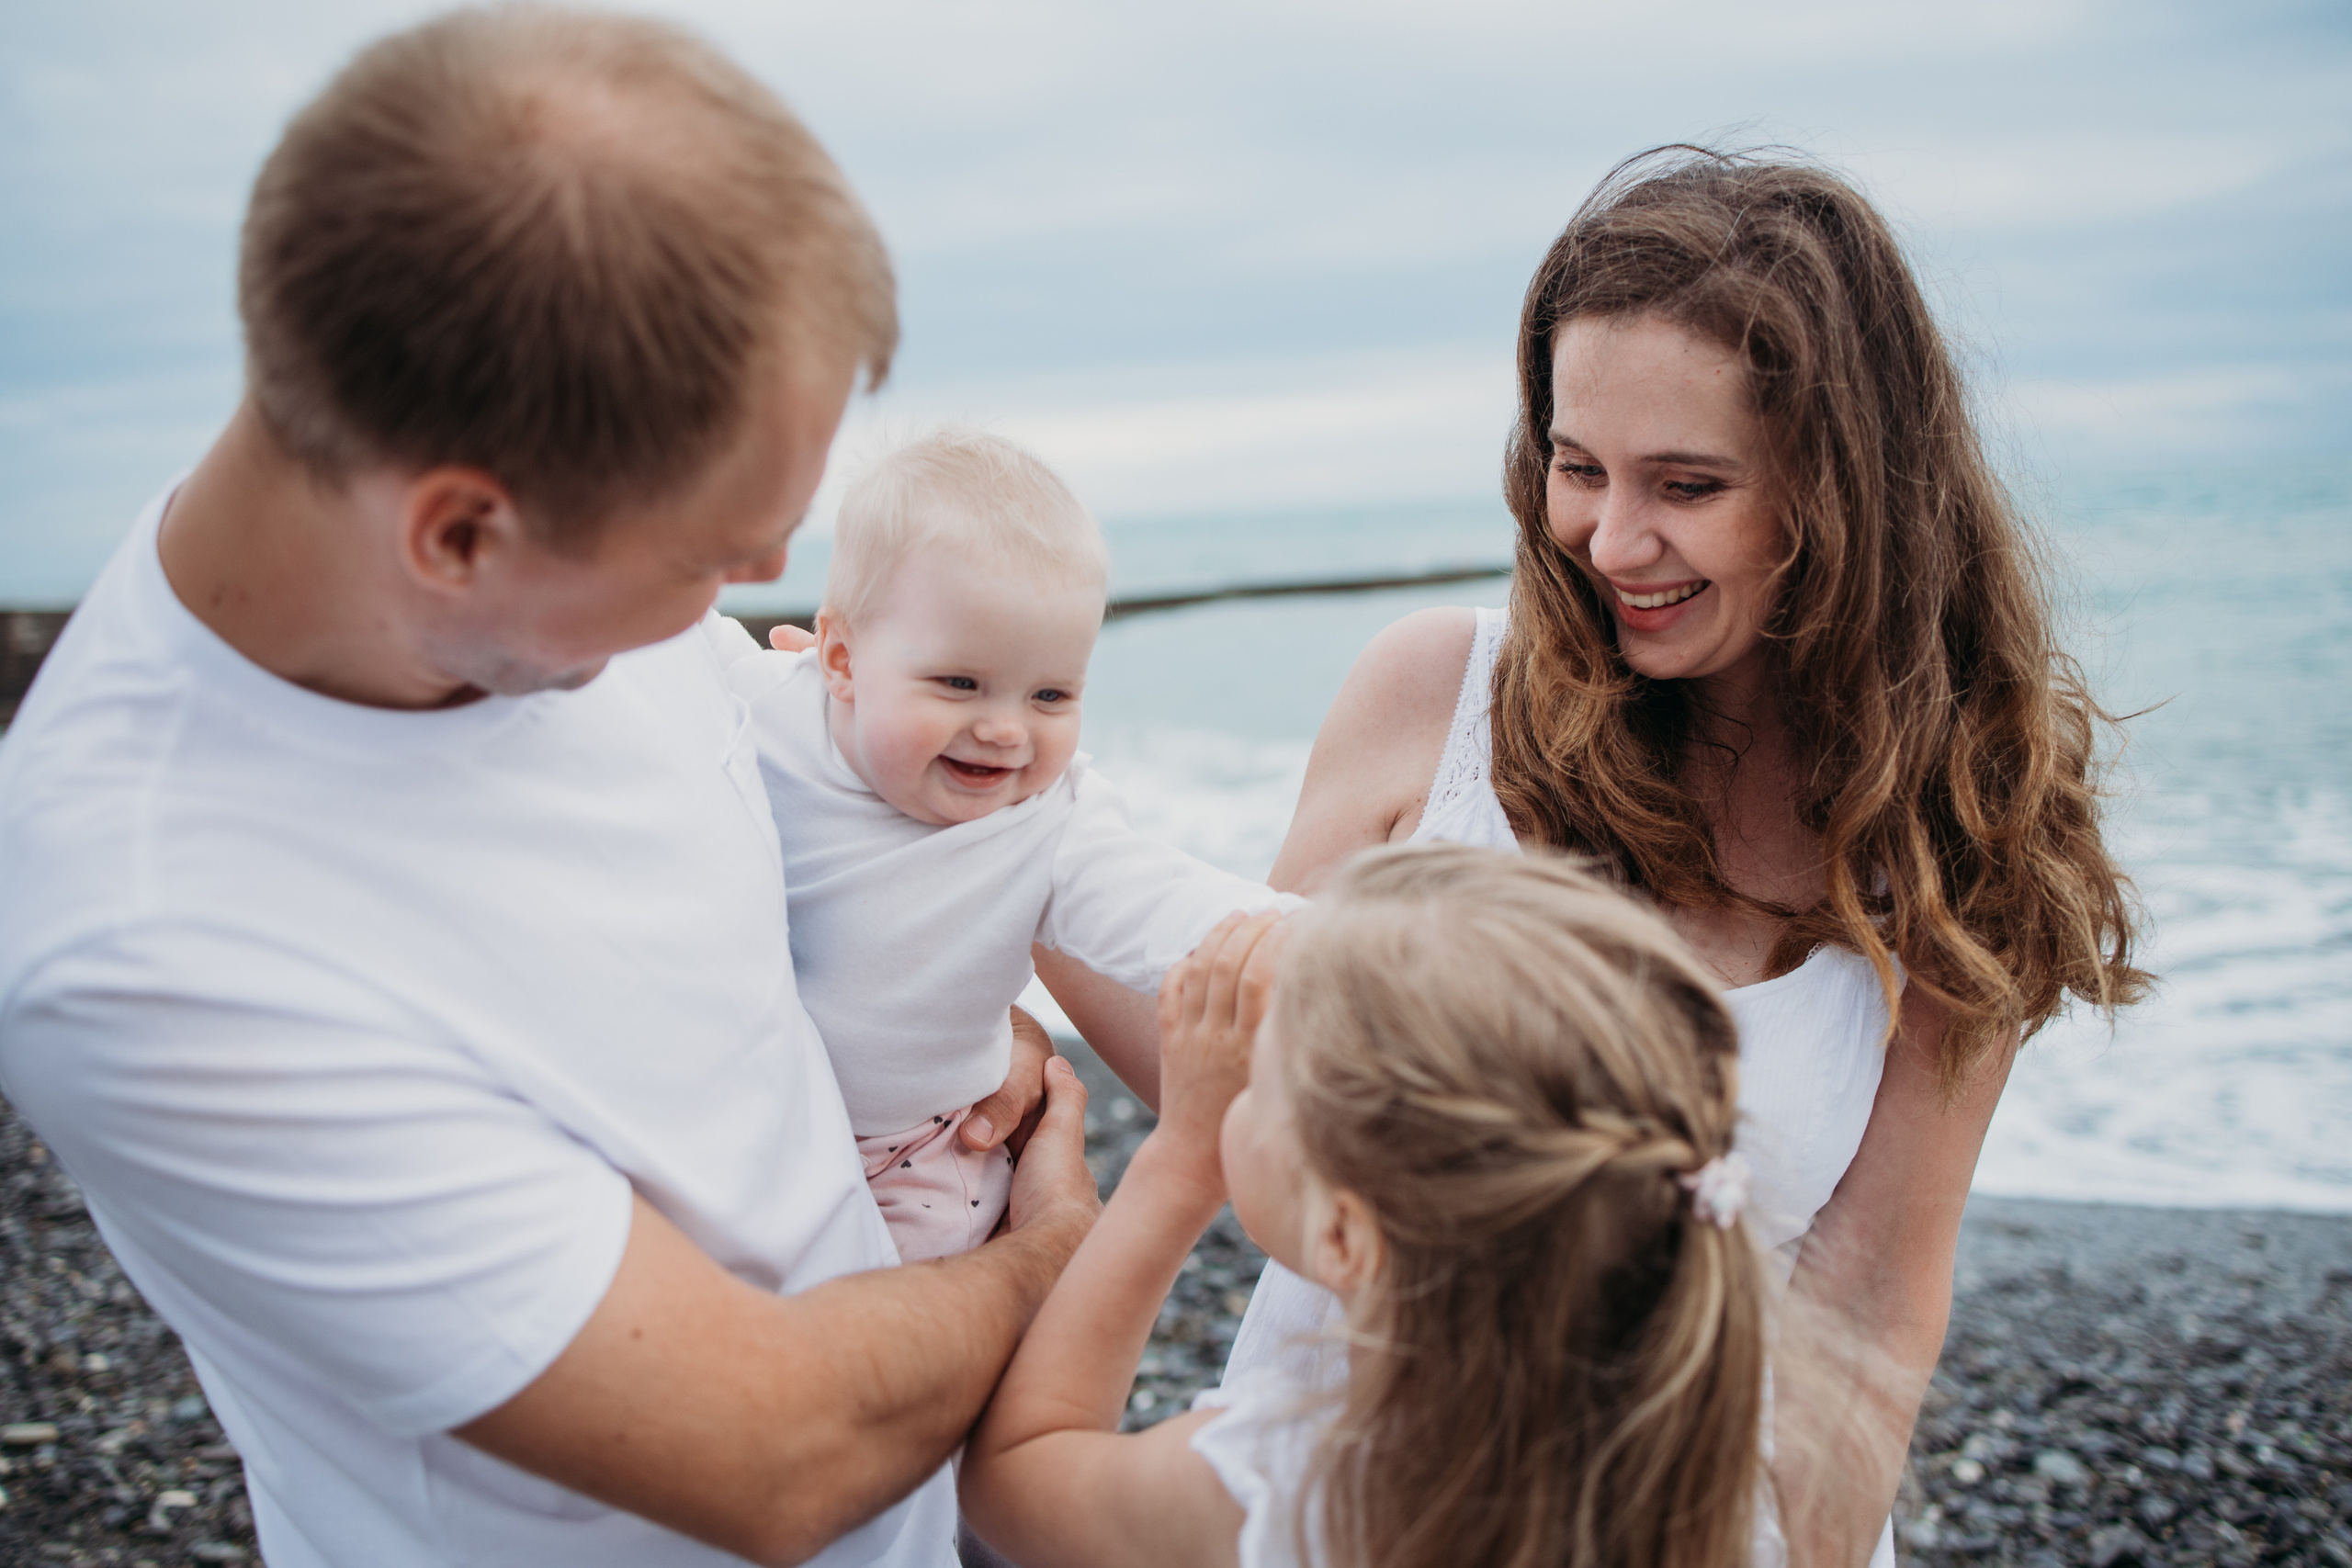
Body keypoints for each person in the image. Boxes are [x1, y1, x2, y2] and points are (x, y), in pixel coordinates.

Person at [0, 11, 1101, 1567]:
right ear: (458, 533)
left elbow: (831, 843)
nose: (764, 585)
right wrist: (1062, 1241)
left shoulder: (545, 589)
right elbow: (772, 1453)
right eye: (714, 545)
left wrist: (975, 1013)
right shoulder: (144, 945)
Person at [1041, 147, 2149, 1563]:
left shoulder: (1956, 834)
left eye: (1686, 483)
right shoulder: (1435, 695)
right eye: (1576, 465)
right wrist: (1000, 830)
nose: (1610, 540)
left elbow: (1870, 1306)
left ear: (1847, 489)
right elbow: (1255, 1069)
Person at [964, 845, 1774, 1568]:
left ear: (1345, 1235)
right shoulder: (1715, 1489)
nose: (1233, 1090)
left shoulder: (1299, 1487)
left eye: (1258, 1077)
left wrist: (1181, 1156)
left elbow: (1017, 1474)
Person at [723, 428, 1298, 1261]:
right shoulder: (760, 703)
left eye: (1051, 694)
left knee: (906, 1344)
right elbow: (644, 627)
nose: (1003, 729)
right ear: (842, 657)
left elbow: (1174, 903)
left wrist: (1332, 946)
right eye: (959, 682)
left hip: (911, 1158)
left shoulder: (1050, 828)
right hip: (736, 1136)